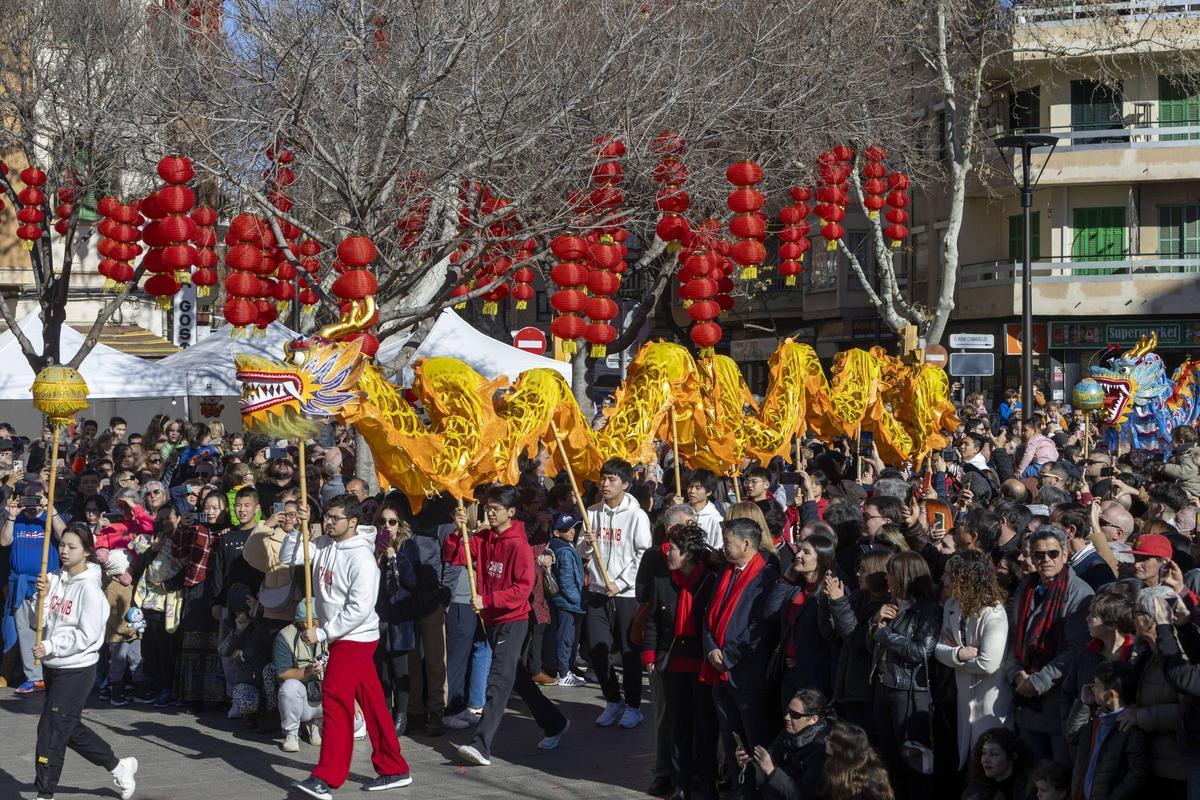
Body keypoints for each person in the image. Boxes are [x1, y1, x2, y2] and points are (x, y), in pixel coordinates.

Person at [289, 495, 411, 800]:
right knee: (373, 702)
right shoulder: (323, 544)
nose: (328, 522)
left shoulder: (362, 559)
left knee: (334, 696)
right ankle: (394, 767)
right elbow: (291, 557)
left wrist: (322, 632)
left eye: (335, 518)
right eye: (326, 516)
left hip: (356, 637)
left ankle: (327, 776)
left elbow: (359, 609)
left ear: (353, 522)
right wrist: (298, 529)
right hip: (339, 636)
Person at [449, 485, 569, 767]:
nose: (490, 513)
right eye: (487, 508)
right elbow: (456, 555)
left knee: (499, 680)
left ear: (511, 512)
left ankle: (481, 744)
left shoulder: (519, 545)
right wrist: (458, 530)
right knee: (517, 678)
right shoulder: (484, 537)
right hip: (491, 619)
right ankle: (554, 722)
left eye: (496, 509)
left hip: (513, 620)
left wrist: (488, 600)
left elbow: (522, 590)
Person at [29, 525, 139, 800]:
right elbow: (37, 623)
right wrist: (41, 597)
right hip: (52, 665)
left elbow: (88, 636)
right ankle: (119, 766)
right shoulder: (54, 577)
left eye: (72, 547)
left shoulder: (90, 588)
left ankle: (45, 792)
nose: (64, 551)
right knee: (67, 726)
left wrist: (52, 645)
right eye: (62, 545)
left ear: (87, 551)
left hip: (77, 668)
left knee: (51, 730)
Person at [703, 517, 780, 800]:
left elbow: (761, 626)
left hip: (746, 673)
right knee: (730, 736)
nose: (723, 547)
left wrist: (729, 655)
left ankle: (758, 790)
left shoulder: (765, 577)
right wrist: (711, 648)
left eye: (727, 542)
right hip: (719, 669)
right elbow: (709, 614)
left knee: (754, 738)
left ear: (746, 544)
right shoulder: (726, 571)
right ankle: (739, 788)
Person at [1004, 525, 1094, 763]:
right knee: (1031, 771)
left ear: (1064, 555)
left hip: (1057, 703)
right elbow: (1013, 637)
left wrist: (1038, 682)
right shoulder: (1026, 588)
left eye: (1052, 553)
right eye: (1039, 554)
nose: (1046, 560)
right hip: (1025, 697)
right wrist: (1016, 674)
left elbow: (1076, 650)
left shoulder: (1080, 594)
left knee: (1057, 774)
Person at [642, 521, 719, 800]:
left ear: (687, 554)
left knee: (705, 725)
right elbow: (653, 621)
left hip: (702, 663)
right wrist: (650, 654)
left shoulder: (711, 582)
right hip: (673, 663)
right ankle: (681, 782)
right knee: (678, 726)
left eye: (672, 549)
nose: (667, 553)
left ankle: (707, 781)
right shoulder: (662, 581)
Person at [577, 457, 653, 729]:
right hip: (597, 591)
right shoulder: (592, 512)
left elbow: (642, 554)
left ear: (626, 484)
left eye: (612, 479)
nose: (605, 484)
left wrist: (620, 583)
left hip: (625, 595)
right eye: (603, 478)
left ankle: (633, 706)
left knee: (630, 653)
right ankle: (613, 700)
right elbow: (581, 551)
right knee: (597, 650)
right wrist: (588, 543)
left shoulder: (637, 515)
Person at [869, 550, 941, 798]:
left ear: (905, 576)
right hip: (883, 685)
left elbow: (921, 651)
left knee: (912, 758)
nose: (886, 578)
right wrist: (875, 622)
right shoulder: (890, 605)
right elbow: (872, 643)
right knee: (886, 755)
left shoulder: (928, 610)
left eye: (891, 573)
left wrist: (884, 633)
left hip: (908, 691)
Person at [934, 550, 1010, 769]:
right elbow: (938, 650)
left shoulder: (993, 612)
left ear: (965, 578)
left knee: (990, 756)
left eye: (949, 574)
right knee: (968, 756)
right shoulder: (951, 606)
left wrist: (953, 656)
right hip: (963, 696)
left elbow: (988, 664)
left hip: (990, 699)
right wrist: (958, 653)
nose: (943, 579)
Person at [2, 482, 67, 693]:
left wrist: (51, 510)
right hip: (22, 584)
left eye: (37, 497)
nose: (33, 502)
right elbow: (4, 541)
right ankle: (35, 677)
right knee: (25, 631)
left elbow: (64, 536)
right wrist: (11, 517)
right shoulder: (17, 518)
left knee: (49, 628)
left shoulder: (50, 518)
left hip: (46, 583)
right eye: (29, 497)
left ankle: (53, 673)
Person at [766, 532, 838, 701]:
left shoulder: (829, 592)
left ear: (822, 559)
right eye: (799, 550)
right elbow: (771, 613)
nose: (798, 555)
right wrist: (785, 580)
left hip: (814, 676)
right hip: (789, 671)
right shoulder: (796, 587)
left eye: (806, 552)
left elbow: (829, 634)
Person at [1069, 660, 1148, 800]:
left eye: (1096, 685)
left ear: (1110, 695)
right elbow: (1072, 736)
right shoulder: (1097, 718)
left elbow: (1137, 772)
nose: (1092, 688)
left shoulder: (1129, 727)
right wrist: (1083, 705)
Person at [736, 689, 832, 800]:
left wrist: (772, 771)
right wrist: (746, 766)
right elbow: (766, 766)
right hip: (778, 791)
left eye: (794, 715)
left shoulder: (822, 748)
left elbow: (801, 795)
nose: (786, 717)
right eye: (788, 711)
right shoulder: (788, 733)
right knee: (744, 793)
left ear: (813, 719)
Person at [275, 599, 327, 753]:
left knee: (357, 722)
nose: (307, 626)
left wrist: (353, 699)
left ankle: (317, 725)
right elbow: (282, 673)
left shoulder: (329, 631)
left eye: (312, 621)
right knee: (289, 687)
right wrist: (308, 671)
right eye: (302, 622)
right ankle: (291, 733)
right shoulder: (285, 636)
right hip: (302, 698)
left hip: (325, 694)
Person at [547, 512, 586, 686]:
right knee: (566, 637)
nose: (572, 531)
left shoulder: (562, 546)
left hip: (566, 601)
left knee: (568, 637)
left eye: (573, 528)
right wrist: (578, 601)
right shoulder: (564, 551)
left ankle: (568, 668)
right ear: (557, 532)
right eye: (567, 529)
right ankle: (563, 673)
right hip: (568, 603)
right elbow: (567, 581)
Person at [815, 719, 895, 800]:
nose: (826, 740)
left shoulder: (868, 786)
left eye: (830, 739)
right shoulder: (831, 764)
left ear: (840, 749)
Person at [961, 727, 1035, 800]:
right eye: (984, 753)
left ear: (1012, 757)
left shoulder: (1028, 787)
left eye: (994, 754)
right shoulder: (977, 788)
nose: (985, 760)